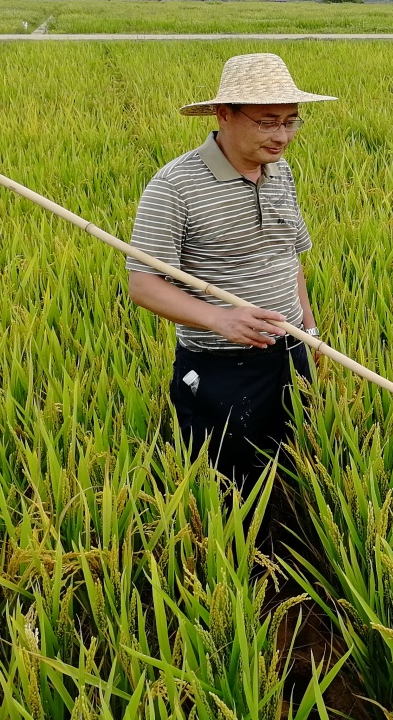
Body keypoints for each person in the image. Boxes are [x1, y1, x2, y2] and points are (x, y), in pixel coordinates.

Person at [127, 52, 335, 489]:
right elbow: (144, 285)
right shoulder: (174, 185)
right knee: (229, 488)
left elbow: (288, 256)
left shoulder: (281, 171)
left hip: (290, 352)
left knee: (293, 468)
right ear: (224, 115)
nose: (283, 136)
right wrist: (222, 319)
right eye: (267, 121)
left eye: (291, 121)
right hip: (222, 366)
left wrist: (310, 331)